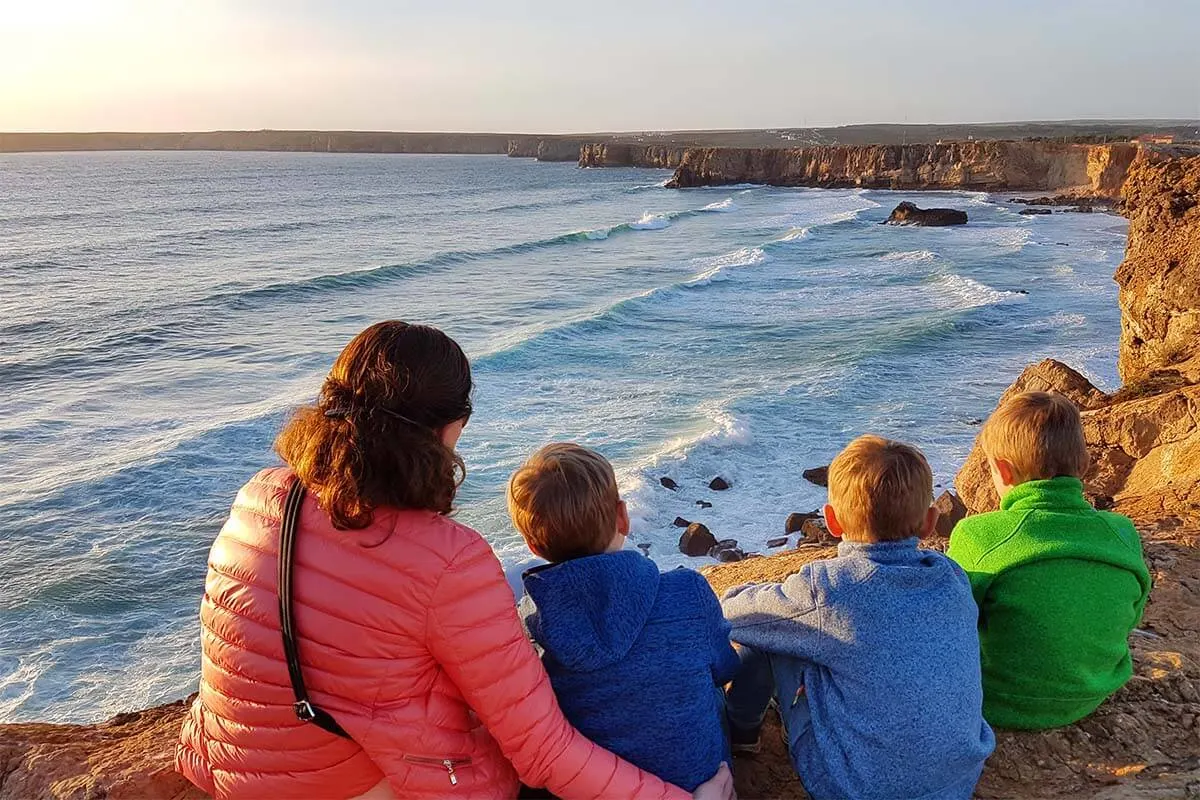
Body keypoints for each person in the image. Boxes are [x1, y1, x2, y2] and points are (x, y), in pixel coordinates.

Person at [175, 321, 734, 800]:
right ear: (448, 429)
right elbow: (544, 752)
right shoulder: (450, 559)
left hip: (234, 770)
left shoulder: (263, 496)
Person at [722, 435, 994, 800]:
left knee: (774, 634)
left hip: (853, 789)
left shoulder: (829, 589)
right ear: (930, 522)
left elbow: (734, 614)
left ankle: (743, 734)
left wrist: (754, 589)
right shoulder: (952, 576)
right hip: (957, 781)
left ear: (832, 521)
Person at [507, 443, 741, 792]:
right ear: (623, 517)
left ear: (533, 545)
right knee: (709, 688)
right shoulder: (687, 591)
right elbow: (725, 668)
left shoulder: (530, 626)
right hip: (701, 784)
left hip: (596, 787)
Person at [947, 391, 1152, 729]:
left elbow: (953, 621)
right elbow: (1131, 613)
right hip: (1092, 691)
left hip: (997, 698)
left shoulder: (977, 534)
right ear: (1083, 465)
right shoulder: (1122, 533)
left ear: (1002, 471)